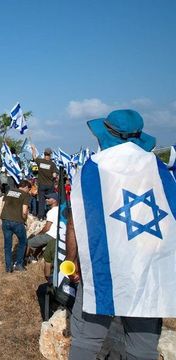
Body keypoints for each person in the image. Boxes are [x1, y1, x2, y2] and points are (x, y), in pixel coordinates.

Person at [66, 109, 169, 359]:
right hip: (147, 271)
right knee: (142, 349)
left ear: (107, 134)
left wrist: (73, 262)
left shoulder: (94, 169)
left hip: (103, 267)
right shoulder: (159, 169)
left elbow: (75, 223)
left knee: (87, 342)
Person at [0, 180, 32, 272]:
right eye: (29, 189)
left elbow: (3, 205)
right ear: (25, 187)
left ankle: (8, 268)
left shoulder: (9, 191)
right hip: (17, 221)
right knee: (23, 242)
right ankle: (19, 264)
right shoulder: (25, 195)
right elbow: (24, 211)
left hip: (5, 220)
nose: (29, 191)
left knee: (7, 245)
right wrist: (25, 220)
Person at [27, 192, 59, 260]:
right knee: (41, 242)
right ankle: (34, 257)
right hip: (57, 236)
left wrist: (38, 234)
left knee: (28, 243)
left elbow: (47, 228)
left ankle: (22, 261)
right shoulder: (60, 210)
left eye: (48, 198)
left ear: (55, 200)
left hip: (51, 235)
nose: (46, 200)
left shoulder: (52, 211)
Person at [35, 148, 58, 219]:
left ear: (44, 154)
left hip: (41, 185)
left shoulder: (40, 161)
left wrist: (33, 149)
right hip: (50, 185)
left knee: (41, 201)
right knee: (49, 201)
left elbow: (34, 157)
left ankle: (41, 216)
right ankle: (49, 216)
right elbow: (54, 175)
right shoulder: (52, 164)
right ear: (50, 155)